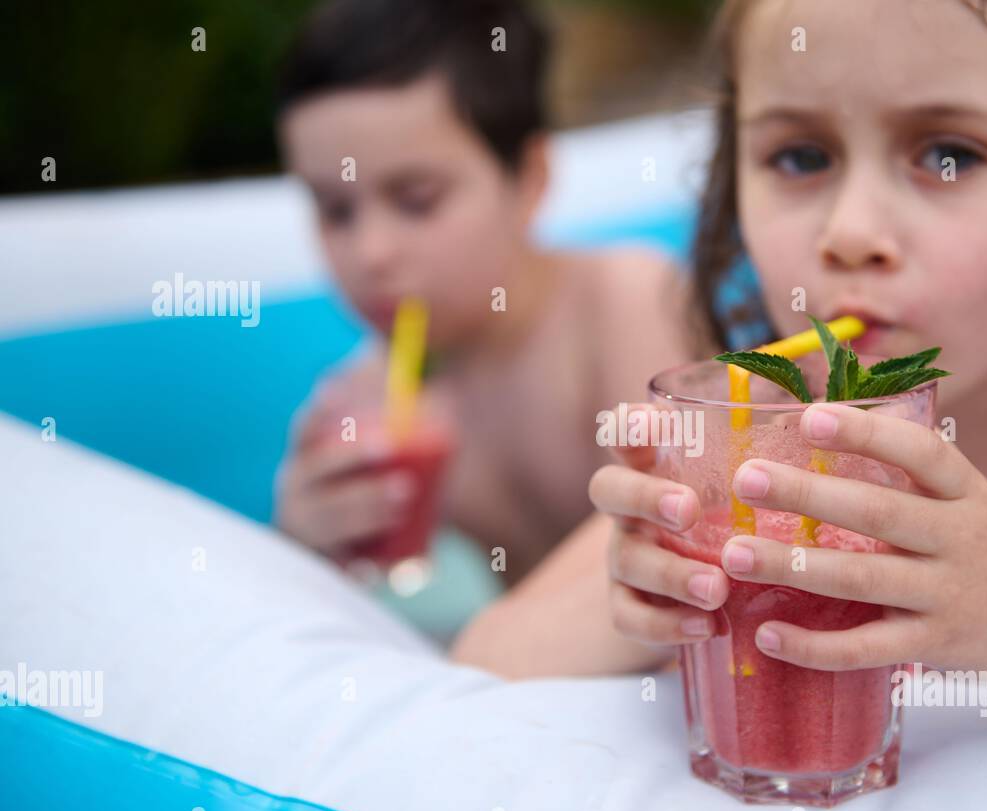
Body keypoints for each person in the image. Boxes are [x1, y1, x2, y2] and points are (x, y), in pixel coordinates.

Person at [479, 0, 987, 777]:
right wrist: (653, 585)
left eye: (948, 156)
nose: (850, 234)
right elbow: (480, 670)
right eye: (800, 157)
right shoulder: (747, 452)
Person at [272, 0, 693, 595]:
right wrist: (298, 554)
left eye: (416, 199)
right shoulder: (362, 405)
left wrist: (488, 654)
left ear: (531, 178)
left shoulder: (624, 302)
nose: (371, 252)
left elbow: (673, 542)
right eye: (334, 210)